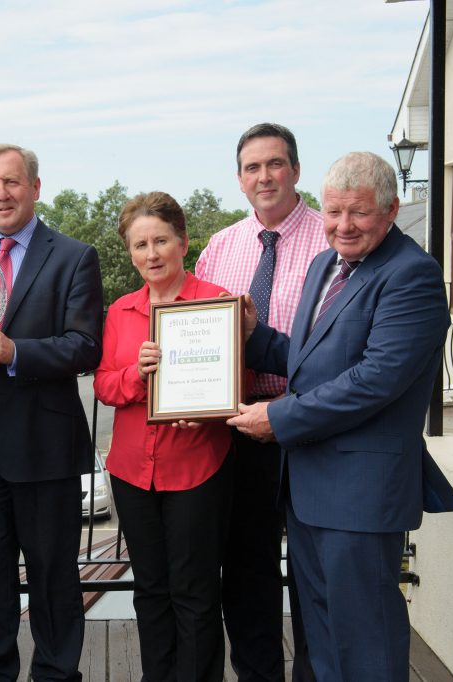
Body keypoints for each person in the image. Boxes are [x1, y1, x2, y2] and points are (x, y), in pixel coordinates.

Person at [228, 151, 453, 682]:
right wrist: (251, 336)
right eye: (333, 213)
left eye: (357, 213)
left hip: (360, 493)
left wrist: (279, 418)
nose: (342, 226)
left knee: (366, 643)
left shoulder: (412, 275)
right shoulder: (324, 264)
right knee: (325, 639)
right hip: (309, 489)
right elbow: (309, 360)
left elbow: (374, 381)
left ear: (391, 210)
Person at [0, 144, 103, 681]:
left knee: (54, 578)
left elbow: (84, 345)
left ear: (36, 187)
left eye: (11, 182)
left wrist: (15, 353)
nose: (1, 194)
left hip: (42, 447)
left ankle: (57, 675)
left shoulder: (73, 255)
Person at [195, 122, 327, 681]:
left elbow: (336, 353)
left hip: (312, 427)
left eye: (275, 164)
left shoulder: (331, 240)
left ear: (296, 169)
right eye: (253, 167)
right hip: (238, 428)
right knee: (247, 574)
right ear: (239, 179)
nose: (265, 176)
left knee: (315, 574)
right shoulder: (220, 247)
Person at [94, 191, 233, 681]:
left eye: (160, 241)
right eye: (139, 245)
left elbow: (234, 384)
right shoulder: (120, 312)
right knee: (149, 590)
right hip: (133, 472)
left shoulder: (217, 304)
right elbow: (105, 385)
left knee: (194, 592)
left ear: (184, 243)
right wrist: (137, 374)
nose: (150, 254)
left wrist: (209, 413)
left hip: (195, 468)